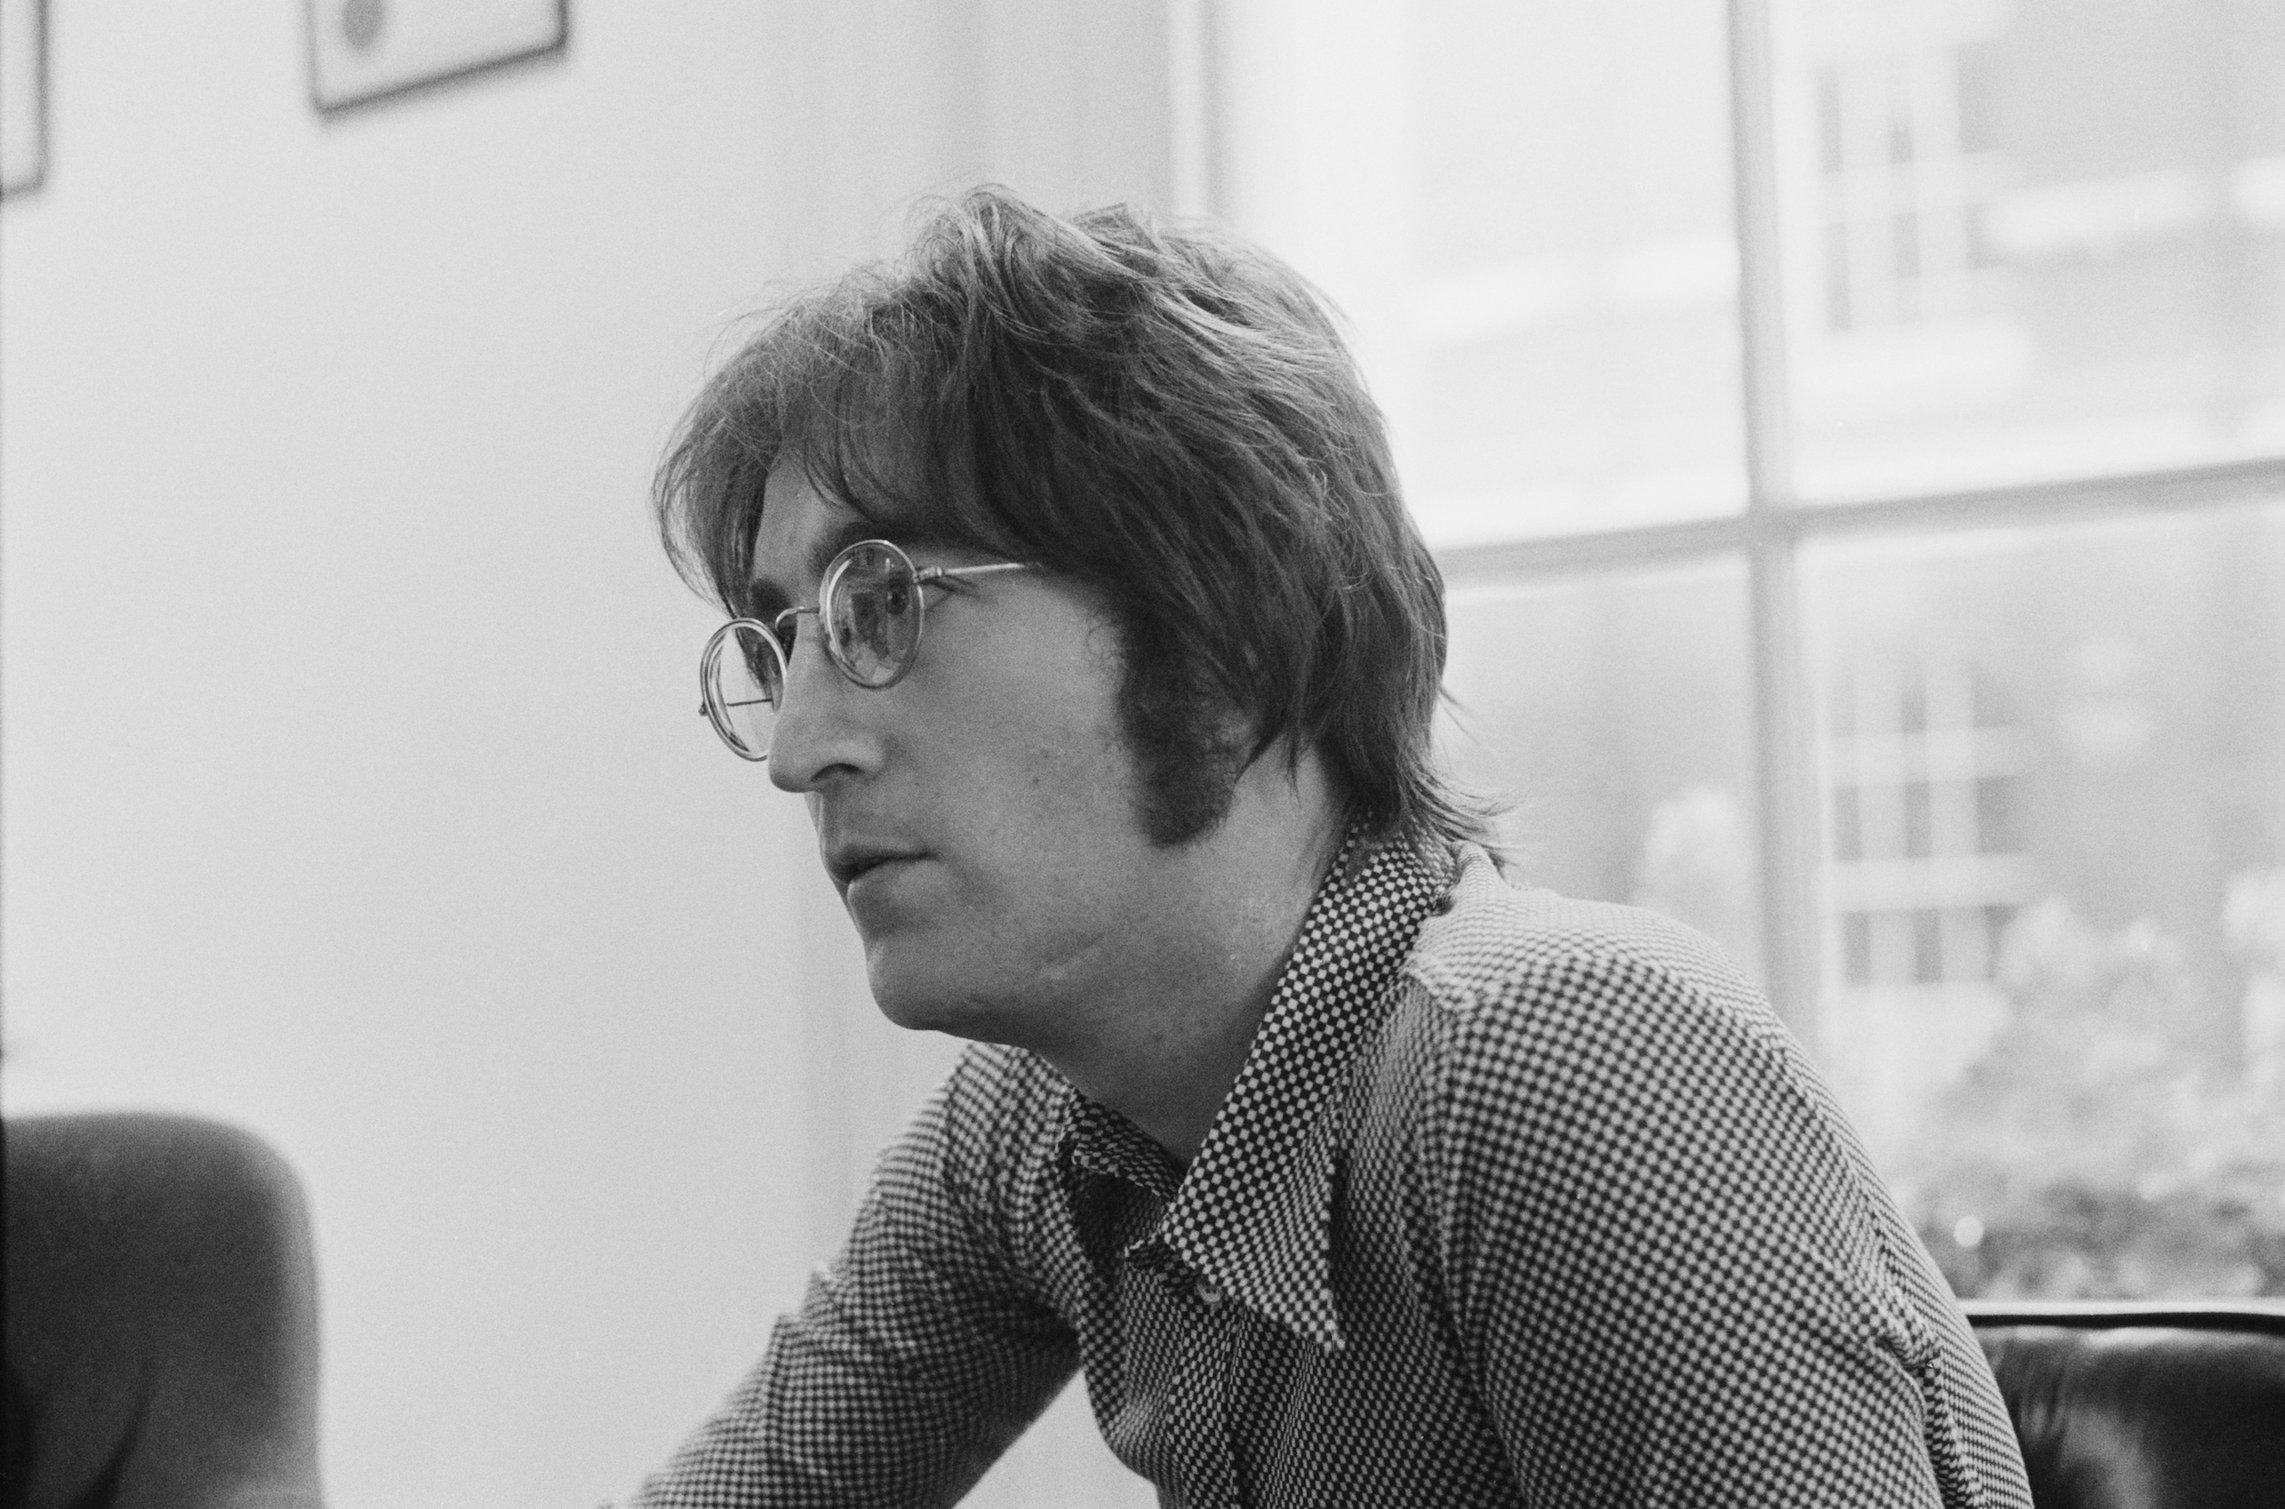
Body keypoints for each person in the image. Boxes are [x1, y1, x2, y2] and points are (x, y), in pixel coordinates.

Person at [630, 187, 2034, 1507]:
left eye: (880, 602)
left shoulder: (1570, 1069)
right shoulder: (1044, 1126)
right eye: (778, 642)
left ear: (1226, 638)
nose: (798, 746)